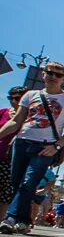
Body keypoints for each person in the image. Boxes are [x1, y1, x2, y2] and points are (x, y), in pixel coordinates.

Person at [0, 63, 64, 234]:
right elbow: (16, 121)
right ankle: (23, 220)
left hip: (46, 146)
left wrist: (56, 146)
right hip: (22, 141)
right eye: (49, 73)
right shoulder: (30, 95)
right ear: (43, 75)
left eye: (57, 75)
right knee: (16, 183)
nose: (53, 77)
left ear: (63, 79)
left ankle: (10, 218)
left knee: (29, 182)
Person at [0, 86, 26, 221]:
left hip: (12, 158)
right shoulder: (3, 112)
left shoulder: (29, 118)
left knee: (6, 191)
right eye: (11, 98)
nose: (13, 101)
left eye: (17, 98)